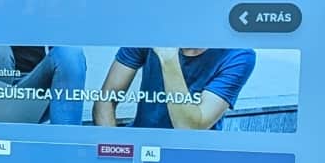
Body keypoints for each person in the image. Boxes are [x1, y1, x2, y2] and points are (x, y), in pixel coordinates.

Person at [91, 44, 254, 131]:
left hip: (194, 156)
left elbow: (189, 129)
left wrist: (168, 57)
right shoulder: (149, 29)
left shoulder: (239, 55)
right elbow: (105, 101)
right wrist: (113, 154)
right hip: (143, 146)